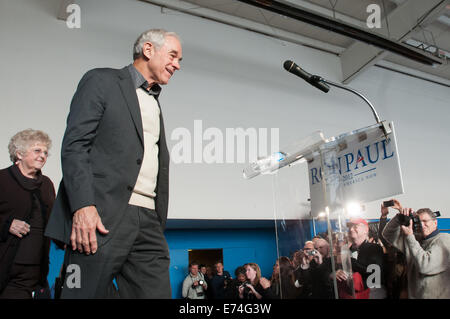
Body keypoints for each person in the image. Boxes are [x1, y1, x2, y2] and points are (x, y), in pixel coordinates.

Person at [45, 29, 182, 298]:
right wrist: (83, 205)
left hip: (148, 220)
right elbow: (75, 146)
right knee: (82, 293)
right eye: (173, 55)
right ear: (148, 49)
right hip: (100, 216)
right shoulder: (102, 80)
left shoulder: (153, 101)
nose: (177, 64)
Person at [0, 129, 55, 298]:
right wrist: (7, 224)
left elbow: (53, 221)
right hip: (9, 273)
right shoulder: (2, 179)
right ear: (19, 154)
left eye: (45, 152)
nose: (43, 156)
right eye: (37, 150)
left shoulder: (46, 184)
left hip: (38, 274)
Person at [382, 204, 450, 298]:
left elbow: (425, 266)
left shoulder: (444, 239)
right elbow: (387, 234)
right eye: (418, 221)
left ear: (435, 223)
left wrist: (410, 236)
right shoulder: (416, 240)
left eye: (425, 221)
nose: (422, 225)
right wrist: (399, 218)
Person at [335, 218, 384, 299]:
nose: (351, 229)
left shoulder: (374, 248)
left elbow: (374, 273)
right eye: (350, 226)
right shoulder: (346, 251)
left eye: (355, 226)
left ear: (366, 230)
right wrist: (338, 273)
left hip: (370, 295)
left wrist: (348, 261)